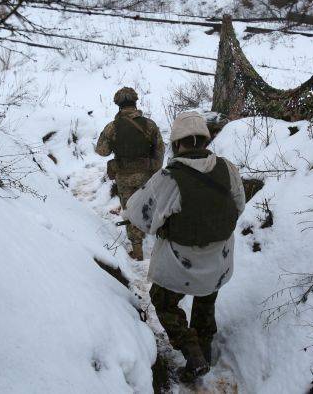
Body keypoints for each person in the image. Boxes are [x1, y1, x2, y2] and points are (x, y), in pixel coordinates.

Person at [122, 111, 246, 381]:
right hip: (219, 261)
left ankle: (191, 351)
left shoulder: (168, 178)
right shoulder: (228, 168)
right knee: (206, 302)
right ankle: (204, 350)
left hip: (180, 263)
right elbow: (239, 206)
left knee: (163, 302)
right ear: (205, 139)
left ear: (177, 144)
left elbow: (137, 212)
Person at [95, 87, 164, 261]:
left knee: (130, 209)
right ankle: (157, 244)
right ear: (135, 103)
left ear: (118, 105)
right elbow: (160, 150)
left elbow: (101, 150)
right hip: (146, 175)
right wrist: (154, 169)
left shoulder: (113, 127)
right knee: (147, 206)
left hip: (124, 176)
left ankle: (138, 250)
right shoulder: (149, 124)